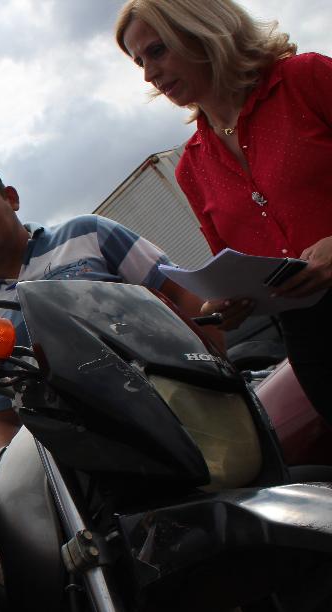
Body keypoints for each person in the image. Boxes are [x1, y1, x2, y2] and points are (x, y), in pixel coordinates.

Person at [115, 0, 332, 425]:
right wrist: (229, 303)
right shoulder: (192, 167)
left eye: (157, 50)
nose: (147, 73)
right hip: (313, 343)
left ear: (203, 31)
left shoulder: (305, 78)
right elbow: (234, 263)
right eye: (138, 61)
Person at [0, 164, 216, 453]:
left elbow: (182, 296)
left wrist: (218, 383)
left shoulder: (89, 233)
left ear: (11, 198)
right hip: (93, 461)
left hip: (186, 414)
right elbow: (2, 419)